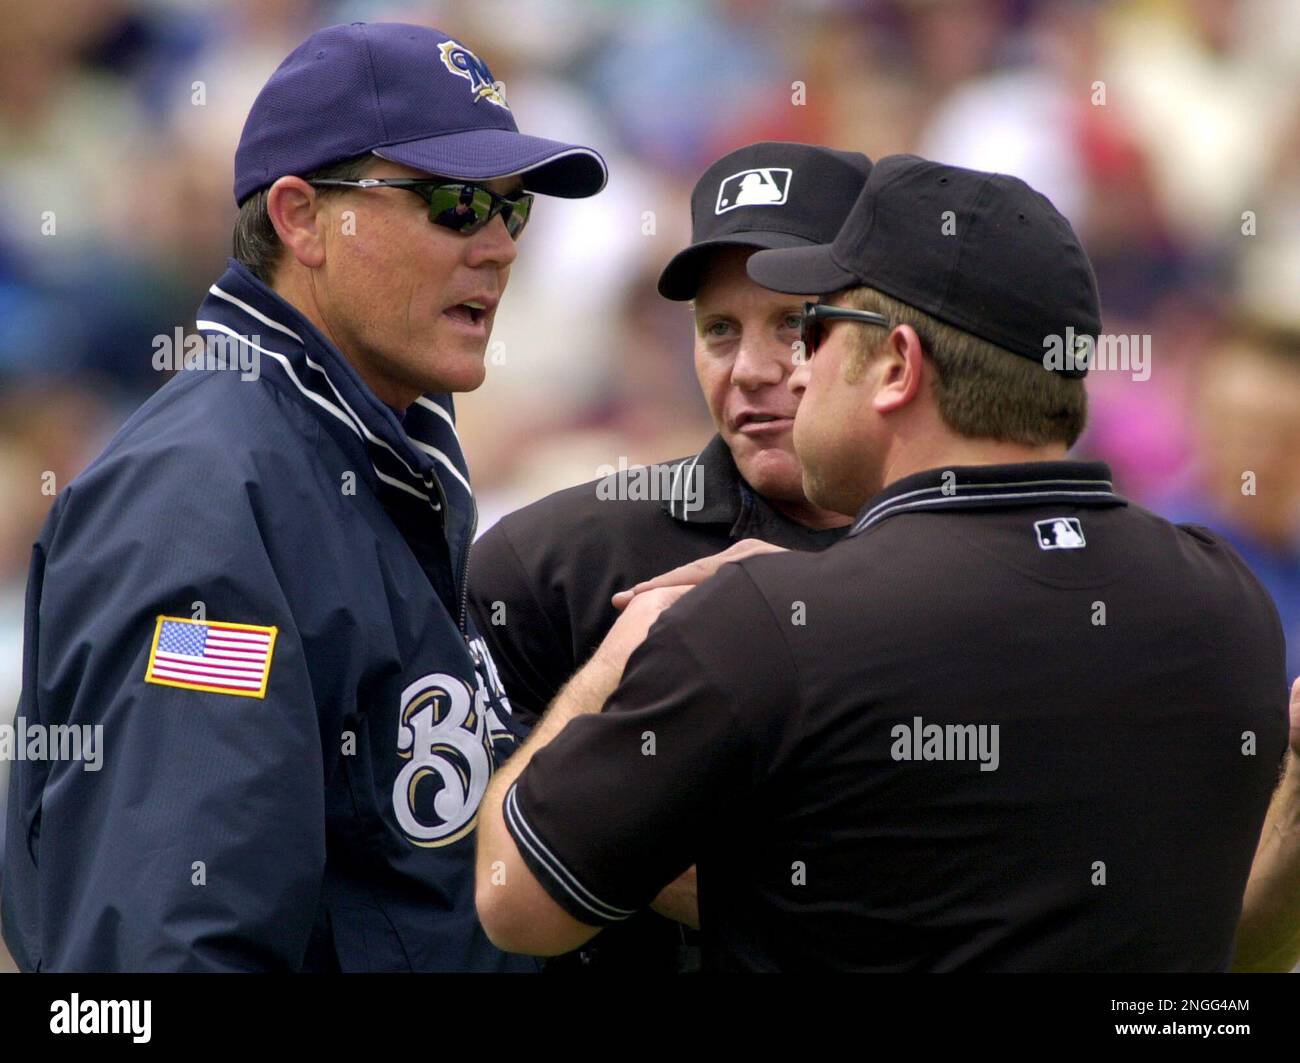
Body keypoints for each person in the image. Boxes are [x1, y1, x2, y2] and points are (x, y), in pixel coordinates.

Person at [473, 155, 1290, 971]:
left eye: (812, 329)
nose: (790, 367)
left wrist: (626, 653)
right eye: (720, 327)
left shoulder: (759, 620)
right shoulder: (1228, 599)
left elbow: (515, 900)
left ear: (897, 364)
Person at [1, 22, 606, 972]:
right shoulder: (196, 499)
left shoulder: (368, 449)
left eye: (511, 209)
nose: (497, 246)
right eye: (453, 202)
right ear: (300, 217)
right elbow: (166, 958)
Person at [468, 141, 871, 970]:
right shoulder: (554, 564)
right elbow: (461, 862)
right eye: (719, 329)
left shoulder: (979, 560)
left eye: (795, 325)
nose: (752, 370)